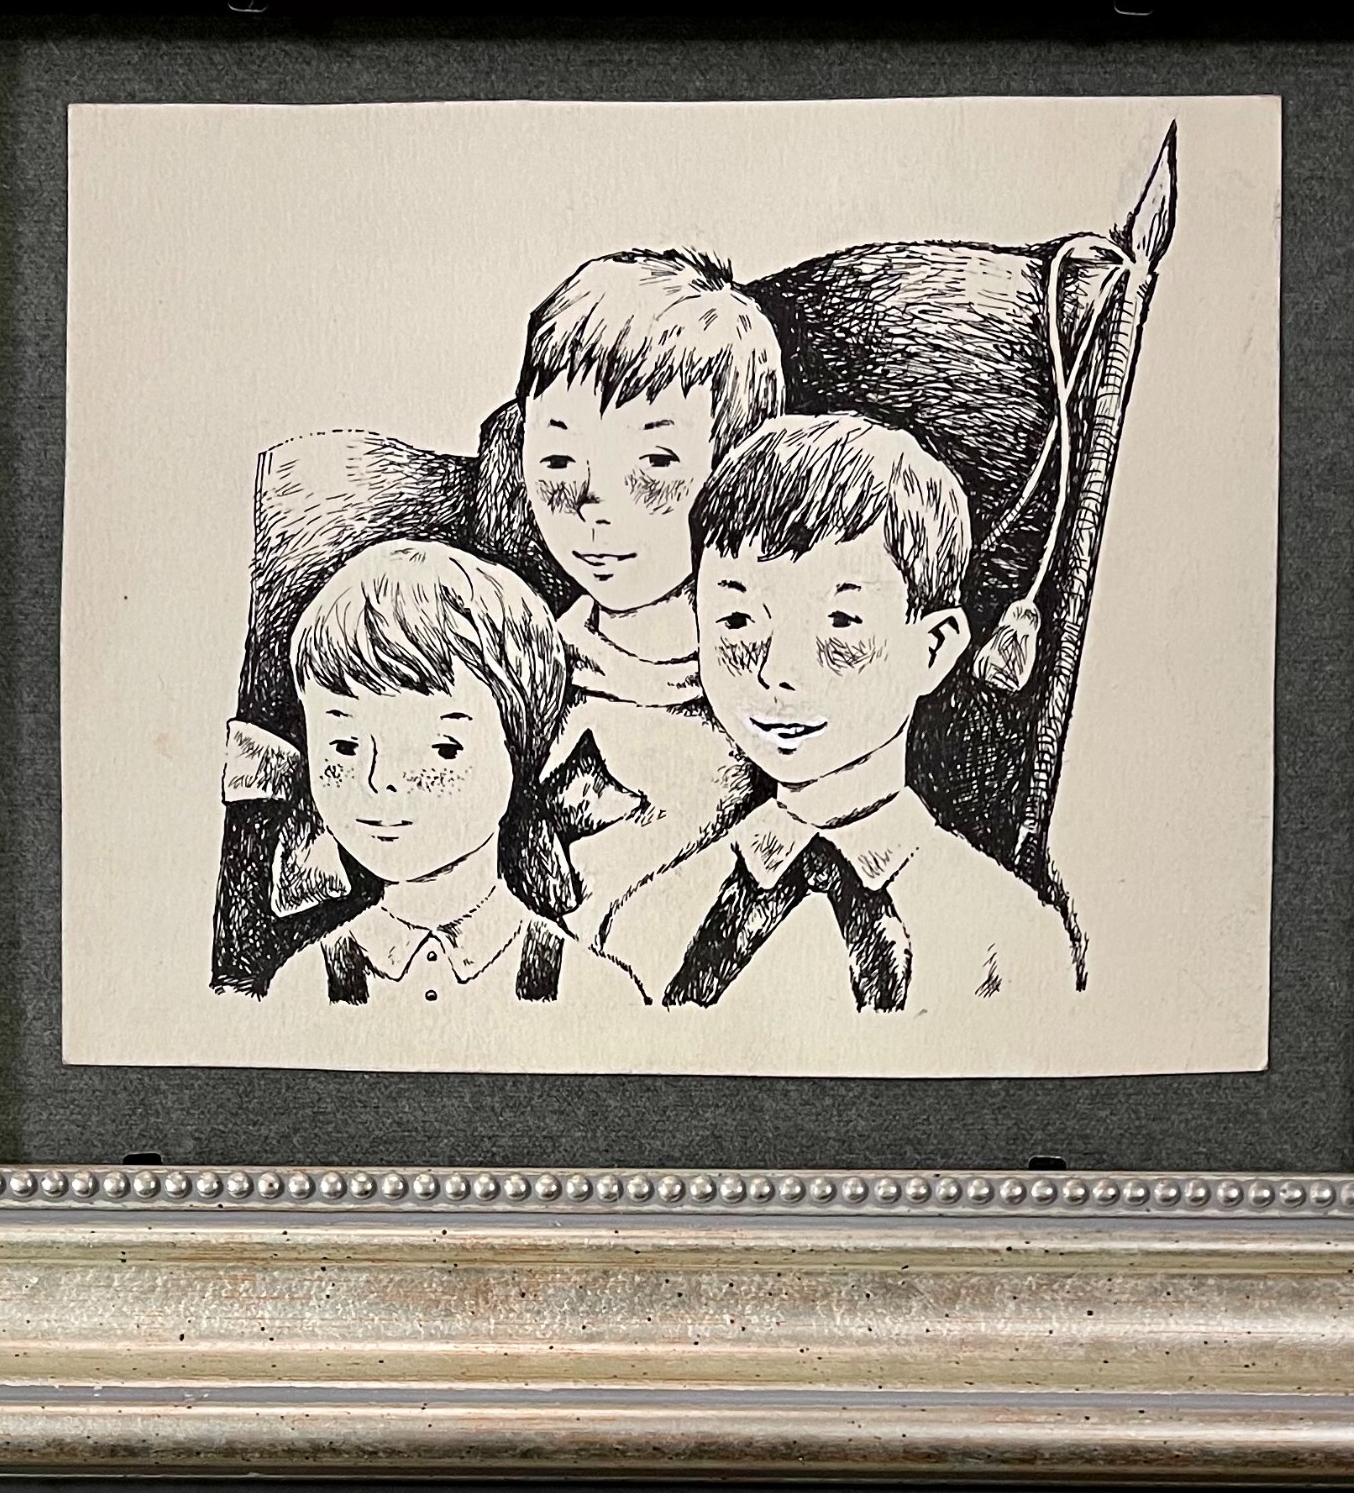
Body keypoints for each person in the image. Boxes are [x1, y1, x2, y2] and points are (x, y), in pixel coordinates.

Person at [598, 413, 1071, 1016]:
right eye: (737, 621)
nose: (777, 672)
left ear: (932, 649)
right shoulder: (647, 926)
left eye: (841, 623)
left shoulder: (1010, 943)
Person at [513, 249, 785, 933]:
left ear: (738, 470)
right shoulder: (520, 664)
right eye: (558, 459)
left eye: (655, 462)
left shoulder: (772, 691)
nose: (592, 501)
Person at [265, 540, 645, 1013]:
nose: (379, 780)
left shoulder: (591, 991)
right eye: (345, 746)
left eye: (442, 749)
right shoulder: (303, 988)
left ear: (518, 751)